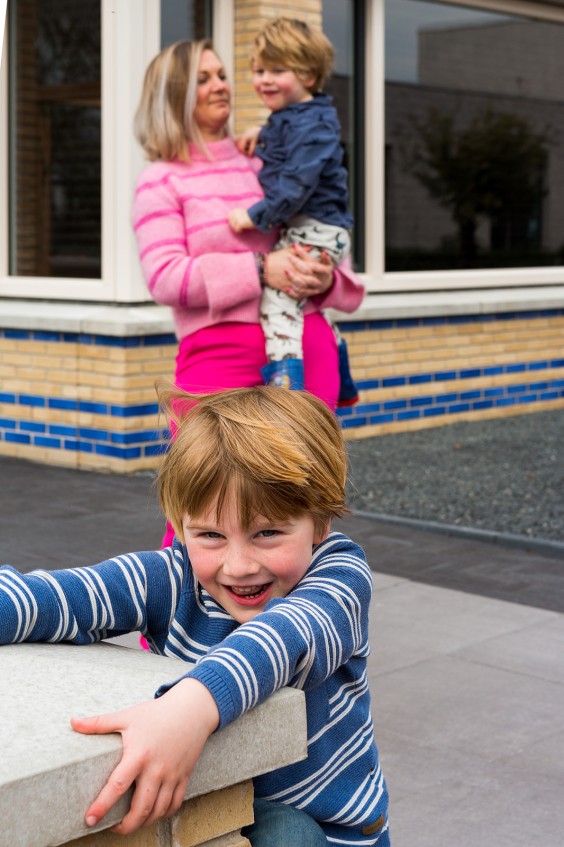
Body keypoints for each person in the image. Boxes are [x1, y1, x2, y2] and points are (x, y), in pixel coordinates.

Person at [0, 386, 390, 846]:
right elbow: (59, 598)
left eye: (267, 533)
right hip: (221, 798)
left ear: (320, 523)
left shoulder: (339, 576)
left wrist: (189, 708)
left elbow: (286, 637)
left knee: (289, 831)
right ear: (181, 526)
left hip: (332, 831)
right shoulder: (172, 576)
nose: (238, 566)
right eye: (210, 535)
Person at [132, 38, 363, 408]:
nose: (221, 85)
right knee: (207, 451)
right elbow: (165, 278)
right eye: (203, 79)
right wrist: (261, 268)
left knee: (309, 452)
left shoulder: (268, 164)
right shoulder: (160, 180)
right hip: (218, 361)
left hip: (307, 355)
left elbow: (329, 242)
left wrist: (326, 279)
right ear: (173, 96)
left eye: (222, 75)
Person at [228, 17, 359, 403]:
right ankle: (343, 377)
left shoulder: (314, 127)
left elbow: (297, 184)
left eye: (277, 71)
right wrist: (259, 133)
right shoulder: (297, 116)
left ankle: (286, 390)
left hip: (317, 227)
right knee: (308, 304)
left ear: (308, 75)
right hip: (316, 226)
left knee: (280, 301)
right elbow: (285, 134)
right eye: (259, 71)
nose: (264, 80)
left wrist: (254, 216)